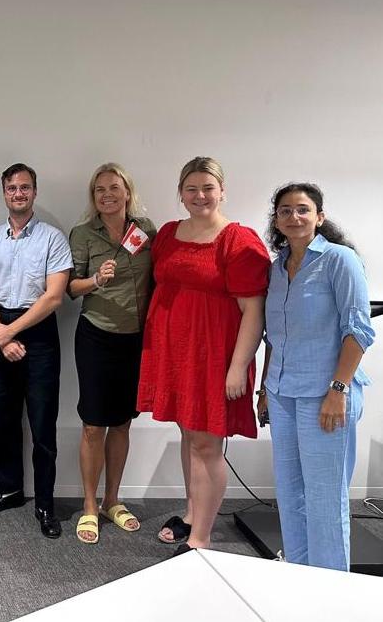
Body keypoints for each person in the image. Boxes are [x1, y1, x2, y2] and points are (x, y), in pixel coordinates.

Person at [136, 157, 270, 554]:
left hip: (214, 358)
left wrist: (238, 367)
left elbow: (253, 312)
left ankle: (201, 540)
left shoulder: (238, 240)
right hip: (175, 355)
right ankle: (193, 514)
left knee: (206, 446)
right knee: (189, 434)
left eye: (208, 188)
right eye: (191, 188)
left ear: (222, 191)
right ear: (181, 193)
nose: (200, 196)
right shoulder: (168, 234)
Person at [257, 182, 373, 571]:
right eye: (285, 210)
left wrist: (338, 389)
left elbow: (358, 331)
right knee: (290, 495)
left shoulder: (340, 260)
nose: (294, 216)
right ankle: (299, 575)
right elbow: (274, 336)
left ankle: (331, 588)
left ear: (319, 217)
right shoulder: (276, 268)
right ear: (277, 220)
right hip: (281, 392)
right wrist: (264, 389)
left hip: (325, 394)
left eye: (303, 209)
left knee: (325, 498)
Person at [0, 164, 72, 539]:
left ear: (35, 191)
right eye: (12, 188)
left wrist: (9, 333)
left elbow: (54, 297)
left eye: (25, 187)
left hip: (39, 333)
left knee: (43, 424)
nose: (18, 193)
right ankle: (9, 489)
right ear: (4, 192)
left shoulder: (52, 238)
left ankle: (45, 503)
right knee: (4, 419)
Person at [68, 163, 155, 544]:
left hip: (136, 340)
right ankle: (89, 505)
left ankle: (112, 500)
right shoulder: (83, 233)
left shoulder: (147, 231)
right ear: (94, 196)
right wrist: (95, 280)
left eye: (114, 188)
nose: (107, 195)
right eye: (100, 189)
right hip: (97, 336)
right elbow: (70, 287)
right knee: (93, 425)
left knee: (122, 423)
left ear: (127, 192)